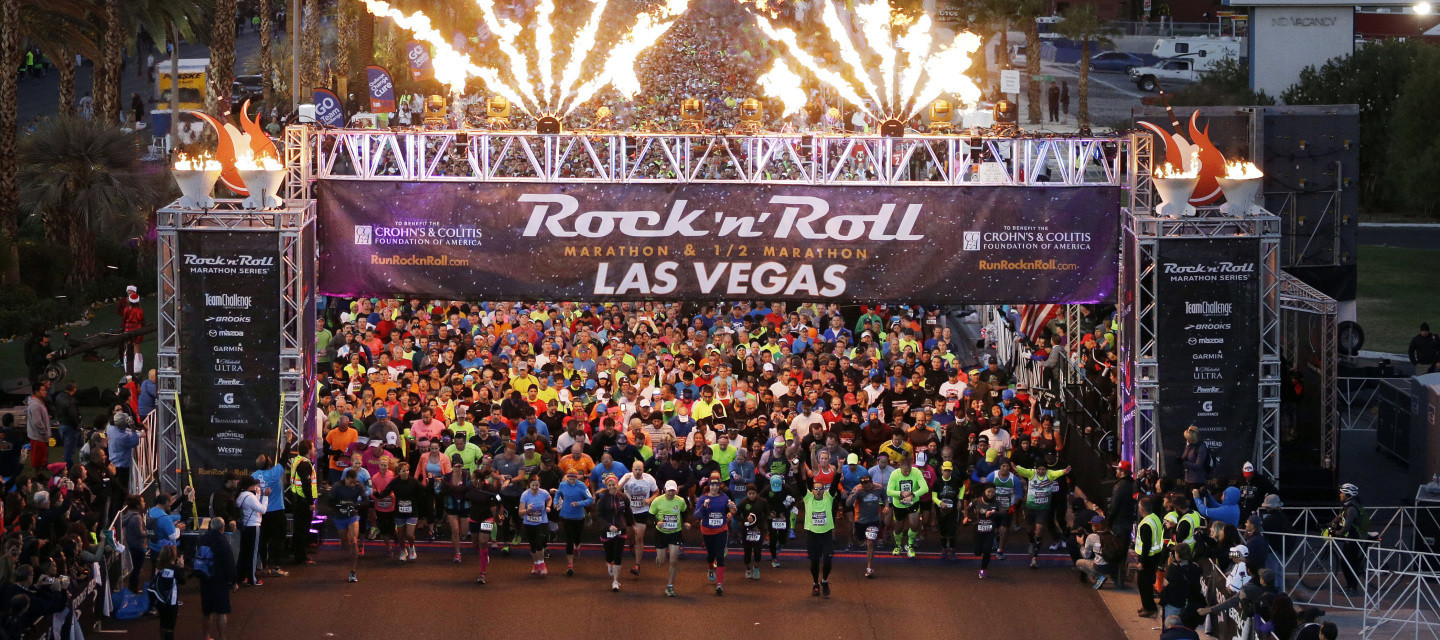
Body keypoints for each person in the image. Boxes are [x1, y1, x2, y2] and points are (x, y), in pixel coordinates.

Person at [1015, 459, 1071, 568]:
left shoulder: (1050, 474)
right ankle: (1031, 542)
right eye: (1039, 469)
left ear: (1046, 469)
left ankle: (1035, 558)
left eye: (1043, 469)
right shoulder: (1031, 473)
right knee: (1030, 530)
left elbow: (1059, 472)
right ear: (1035, 468)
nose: (1041, 471)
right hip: (1031, 507)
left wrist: (1065, 471)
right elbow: (1021, 470)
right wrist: (1015, 467)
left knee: (1039, 530)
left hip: (1043, 508)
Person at [694, 476, 736, 595]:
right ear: (709, 486)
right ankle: (710, 568)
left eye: (716, 485)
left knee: (720, 555)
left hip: (721, 529)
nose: (714, 487)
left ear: (719, 487)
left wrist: (732, 510)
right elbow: (696, 515)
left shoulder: (724, 497)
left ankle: (719, 584)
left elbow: (733, 510)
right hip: (707, 530)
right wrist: (703, 507)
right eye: (712, 485)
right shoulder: (703, 498)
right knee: (711, 555)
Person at [195, 517, 235, 640]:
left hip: (205, 579)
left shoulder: (202, 539)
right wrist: (233, 581)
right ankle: (223, 638)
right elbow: (230, 563)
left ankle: (206, 636)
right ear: (222, 528)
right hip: (220, 580)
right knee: (221, 612)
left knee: (207, 612)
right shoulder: (223, 542)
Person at [649, 479, 689, 597]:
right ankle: (658, 559)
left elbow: (684, 512)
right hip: (661, 533)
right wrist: (657, 522)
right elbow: (650, 516)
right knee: (661, 561)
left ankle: (670, 586)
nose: (671, 493)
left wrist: (685, 522)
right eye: (669, 490)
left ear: (676, 491)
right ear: (665, 490)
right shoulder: (657, 501)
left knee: (673, 560)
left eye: (673, 491)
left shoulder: (680, 501)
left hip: (675, 533)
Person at [595, 473, 634, 591]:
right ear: (607, 486)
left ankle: (615, 581)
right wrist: (609, 526)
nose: (612, 487)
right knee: (609, 555)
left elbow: (628, 512)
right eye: (610, 485)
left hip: (621, 530)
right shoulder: (602, 500)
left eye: (614, 485)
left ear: (617, 484)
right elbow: (599, 517)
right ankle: (609, 563)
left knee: (618, 555)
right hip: (607, 531)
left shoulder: (624, 497)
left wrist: (632, 525)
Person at [618, 460, 657, 576]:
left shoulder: (649, 479)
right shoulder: (627, 476)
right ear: (632, 469)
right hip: (629, 511)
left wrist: (649, 500)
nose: (638, 472)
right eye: (636, 469)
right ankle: (630, 544)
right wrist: (624, 481)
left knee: (639, 538)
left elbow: (656, 492)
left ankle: (637, 565)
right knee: (630, 536)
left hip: (642, 511)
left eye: (640, 470)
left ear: (643, 470)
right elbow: (616, 490)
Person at [885, 454, 929, 558]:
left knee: (914, 525)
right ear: (900, 468)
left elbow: (925, 488)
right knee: (898, 528)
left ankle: (910, 545)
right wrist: (900, 493)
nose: (907, 473)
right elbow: (889, 491)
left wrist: (913, 494)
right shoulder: (894, 474)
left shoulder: (916, 472)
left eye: (909, 471)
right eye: (905, 471)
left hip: (913, 503)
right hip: (899, 505)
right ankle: (898, 545)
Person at [1327, 482, 1367, 595]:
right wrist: (1327, 524)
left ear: (1348, 495)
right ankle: (1350, 586)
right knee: (1345, 563)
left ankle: (1353, 588)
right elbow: (1339, 517)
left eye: (1342, 493)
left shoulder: (1351, 509)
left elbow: (1347, 526)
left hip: (1355, 540)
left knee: (1350, 564)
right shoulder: (1347, 506)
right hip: (1349, 539)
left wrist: (1337, 533)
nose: (1340, 495)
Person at [462, 468, 501, 584]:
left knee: (483, 542)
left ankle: (482, 573)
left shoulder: (490, 489)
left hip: (487, 519)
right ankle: (484, 554)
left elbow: (499, 499)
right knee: (476, 544)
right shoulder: (470, 488)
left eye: (473, 478)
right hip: (474, 518)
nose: (471, 480)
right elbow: (462, 494)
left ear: (479, 480)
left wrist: (497, 511)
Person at [329, 469, 367, 582]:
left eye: (354, 482)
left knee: (353, 541)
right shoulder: (337, 486)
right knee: (345, 542)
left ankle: (353, 571)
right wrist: (340, 506)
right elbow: (329, 502)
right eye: (350, 483)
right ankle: (344, 542)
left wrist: (355, 505)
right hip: (339, 517)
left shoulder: (358, 486)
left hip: (352, 516)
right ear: (346, 479)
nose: (352, 485)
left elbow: (365, 501)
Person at [555, 468, 593, 576]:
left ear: (576, 478)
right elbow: (558, 494)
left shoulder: (582, 486)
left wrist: (579, 503)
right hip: (565, 515)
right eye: (569, 479)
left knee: (577, 537)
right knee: (569, 540)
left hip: (578, 516)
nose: (571, 481)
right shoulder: (563, 485)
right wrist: (555, 502)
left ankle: (577, 546)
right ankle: (570, 565)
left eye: (573, 479)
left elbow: (590, 499)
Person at [802, 478, 836, 597]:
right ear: (812, 491)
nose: (818, 491)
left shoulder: (828, 497)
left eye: (820, 489)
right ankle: (815, 583)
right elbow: (801, 485)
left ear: (823, 490)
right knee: (815, 562)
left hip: (826, 534)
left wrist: (839, 471)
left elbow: (835, 484)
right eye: (816, 489)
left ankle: (824, 580)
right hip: (812, 535)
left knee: (828, 561)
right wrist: (796, 471)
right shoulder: (808, 498)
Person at [1135, 497, 1167, 618]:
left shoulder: (1146, 524)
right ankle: (1146, 605)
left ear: (1142, 509)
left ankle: (1149, 608)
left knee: (1143, 584)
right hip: (1155, 555)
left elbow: (1146, 545)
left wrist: (1141, 562)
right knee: (1147, 583)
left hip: (1147, 557)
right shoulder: (1155, 518)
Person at [235, 478, 268, 586]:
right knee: (253, 553)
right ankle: (252, 579)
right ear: (251, 486)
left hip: (246, 526)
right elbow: (262, 509)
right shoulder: (250, 497)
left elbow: (253, 507)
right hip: (253, 525)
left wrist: (257, 495)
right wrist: (265, 496)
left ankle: (240, 577)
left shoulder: (241, 495)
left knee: (244, 552)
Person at [147, 545, 183, 640]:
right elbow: (183, 580)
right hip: (171, 602)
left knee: (163, 624)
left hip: (160, 599)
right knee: (170, 627)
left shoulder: (159, 567)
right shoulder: (174, 569)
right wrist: (181, 567)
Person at [519, 475, 552, 576]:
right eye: (532, 485)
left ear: (539, 485)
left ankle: (542, 564)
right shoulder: (525, 495)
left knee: (539, 543)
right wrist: (527, 510)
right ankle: (536, 564)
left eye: (537, 486)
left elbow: (550, 499)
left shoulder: (544, 493)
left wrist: (548, 506)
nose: (534, 488)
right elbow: (520, 512)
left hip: (541, 522)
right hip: (529, 523)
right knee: (532, 545)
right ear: (529, 485)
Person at [966, 484, 1001, 578]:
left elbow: (1003, 512)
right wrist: (965, 517)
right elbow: (966, 509)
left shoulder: (996, 503)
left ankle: (983, 570)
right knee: (977, 552)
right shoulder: (977, 501)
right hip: (978, 530)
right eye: (989, 492)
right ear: (984, 492)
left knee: (987, 550)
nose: (990, 494)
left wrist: (994, 512)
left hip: (990, 531)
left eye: (993, 492)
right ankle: (979, 551)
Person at [737, 483, 769, 580]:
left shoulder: (762, 502)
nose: (751, 496)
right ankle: (747, 568)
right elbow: (736, 516)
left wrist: (761, 526)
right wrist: (745, 519)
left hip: (759, 530)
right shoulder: (742, 503)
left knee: (758, 550)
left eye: (753, 493)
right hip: (746, 530)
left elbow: (767, 514)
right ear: (746, 493)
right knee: (747, 550)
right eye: (749, 494)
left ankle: (756, 567)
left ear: (757, 493)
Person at [1074, 515, 1112, 589]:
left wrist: (1081, 544)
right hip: (1113, 566)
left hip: (1101, 566)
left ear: (1094, 526)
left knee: (1078, 563)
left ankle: (1099, 577)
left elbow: (1086, 555)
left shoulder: (1092, 537)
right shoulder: (1111, 533)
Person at [52, 381, 80, 466]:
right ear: (74, 389)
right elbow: (73, 416)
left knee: (67, 449)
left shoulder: (59, 396)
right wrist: (77, 425)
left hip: (61, 425)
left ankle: (67, 466)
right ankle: (68, 468)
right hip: (70, 427)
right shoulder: (71, 400)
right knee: (69, 451)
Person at [25, 383, 50, 471]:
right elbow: (37, 422)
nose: (45, 392)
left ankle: (38, 474)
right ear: (36, 392)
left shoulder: (39, 402)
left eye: (45, 390)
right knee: (38, 459)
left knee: (40, 458)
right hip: (38, 436)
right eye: (42, 390)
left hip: (39, 436)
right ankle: (37, 475)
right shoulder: (35, 404)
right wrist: (45, 433)